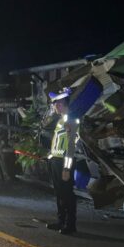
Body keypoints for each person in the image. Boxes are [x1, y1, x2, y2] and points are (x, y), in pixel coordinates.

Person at [46, 87, 79, 235]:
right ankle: (61, 221)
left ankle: (70, 224)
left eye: (57, 103)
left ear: (64, 104)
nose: (55, 106)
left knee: (67, 194)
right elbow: (59, 142)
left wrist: (66, 169)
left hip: (64, 163)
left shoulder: (71, 120)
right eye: (54, 104)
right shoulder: (61, 120)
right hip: (56, 161)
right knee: (59, 193)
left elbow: (71, 147)